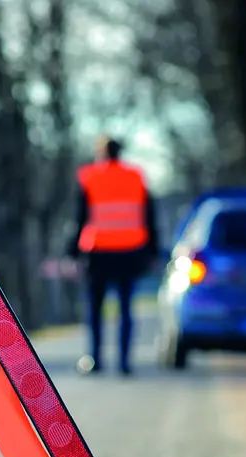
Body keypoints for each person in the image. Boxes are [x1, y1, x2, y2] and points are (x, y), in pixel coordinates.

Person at [67, 136, 161, 376]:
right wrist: (153, 250)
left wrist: (72, 250)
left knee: (95, 309)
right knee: (126, 307)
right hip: (130, 250)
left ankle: (96, 359)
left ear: (101, 153)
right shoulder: (136, 176)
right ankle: (124, 362)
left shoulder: (90, 177)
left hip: (98, 251)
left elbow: (80, 216)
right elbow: (149, 215)